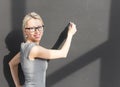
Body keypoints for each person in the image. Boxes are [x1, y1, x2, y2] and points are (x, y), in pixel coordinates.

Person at [9, 12, 77, 87]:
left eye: (39, 27)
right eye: (32, 28)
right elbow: (63, 53)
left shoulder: (25, 48)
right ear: (25, 31)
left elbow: (12, 64)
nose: (37, 31)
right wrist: (70, 34)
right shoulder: (34, 49)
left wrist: (18, 85)